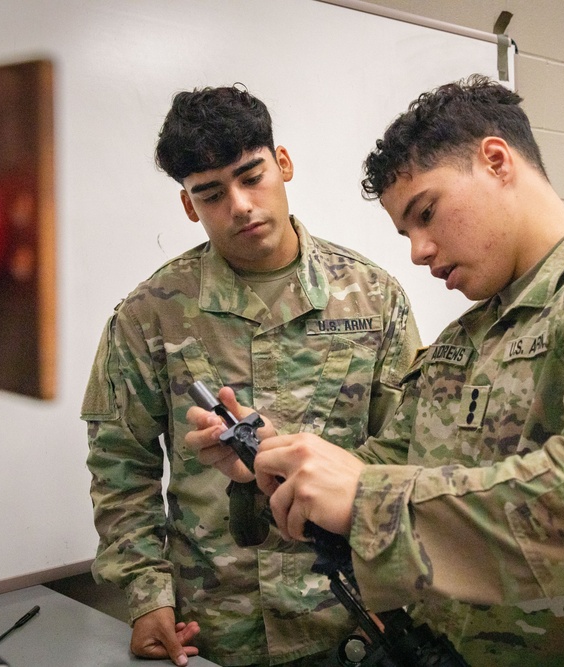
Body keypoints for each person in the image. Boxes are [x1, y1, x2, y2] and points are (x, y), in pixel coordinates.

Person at [194, 75, 564, 665]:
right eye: (406, 231)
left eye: (426, 213)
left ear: (496, 161)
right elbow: (380, 468)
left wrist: (368, 501)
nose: (417, 250)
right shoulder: (465, 339)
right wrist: (275, 463)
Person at [82, 85, 421, 666]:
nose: (239, 204)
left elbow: (412, 447)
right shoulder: (150, 313)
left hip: (351, 618)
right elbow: (121, 464)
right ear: (190, 206)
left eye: (251, 175)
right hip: (216, 625)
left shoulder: (373, 297)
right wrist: (146, 594)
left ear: (282, 164)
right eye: (211, 193)